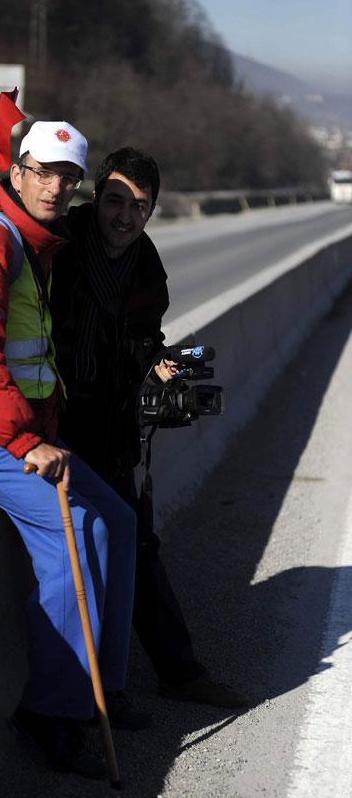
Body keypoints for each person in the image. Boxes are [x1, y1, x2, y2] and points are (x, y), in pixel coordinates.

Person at [0, 123, 147, 780]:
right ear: (16, 171)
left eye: (68, 178)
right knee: (81, 524)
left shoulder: (27, 242)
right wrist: (25, 439)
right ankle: (56, 708)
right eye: (43, 171)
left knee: (119, 523)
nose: (56, 186)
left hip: (4, 430)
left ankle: (105, 686)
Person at [51, 147, 247, 709]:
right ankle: (94, 690)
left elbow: (137, 341)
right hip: (51, 418)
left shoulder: (146, 268)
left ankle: (168, 674)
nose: (125, 217)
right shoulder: (58, 245)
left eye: (139, 206)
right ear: (95, 197)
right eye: (115, 201)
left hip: (108, 421)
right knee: (95, 551)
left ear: (152, 211)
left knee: (134, 541)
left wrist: (156, 366)